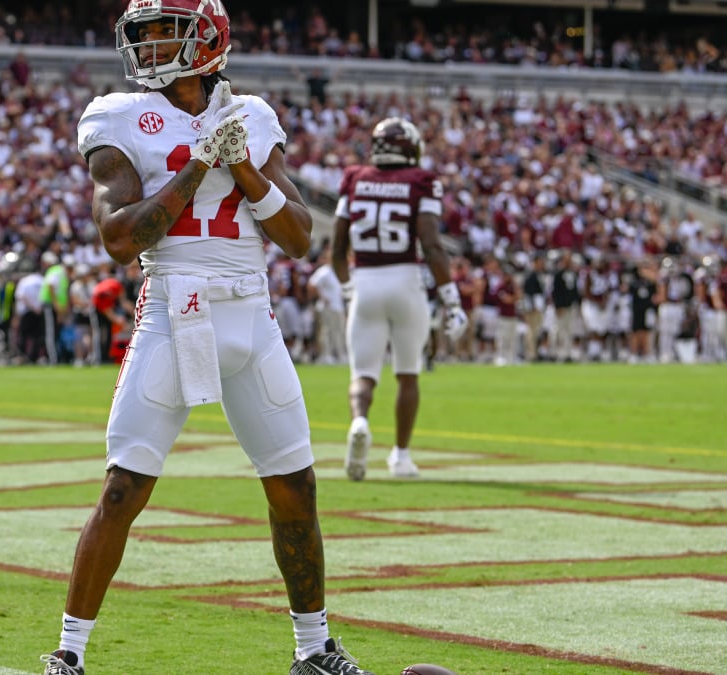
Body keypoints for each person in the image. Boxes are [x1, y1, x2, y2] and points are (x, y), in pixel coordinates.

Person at [42, 2, 372, 674]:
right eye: (146, 32)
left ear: (208, 38)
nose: (152, 44)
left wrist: (243, 167)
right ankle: (69, 654)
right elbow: (120, 236)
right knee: (123, 488)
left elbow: (301, 236)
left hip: (252, 311)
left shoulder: (251, 114)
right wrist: (196, 166)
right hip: (172, 307)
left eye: (167, 29)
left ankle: (313, 648)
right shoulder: (117, 115)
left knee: (296, 487)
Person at [330, 117, 467, 482]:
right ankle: (401, 456)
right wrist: (451, 300)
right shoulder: (420, 182)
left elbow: (336, 249)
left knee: (362, 375)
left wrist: (348, 290)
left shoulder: (356, 178)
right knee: (408, 374)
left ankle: (359, 421)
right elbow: (432, 244)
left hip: (366, 282)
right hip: (406, 280)